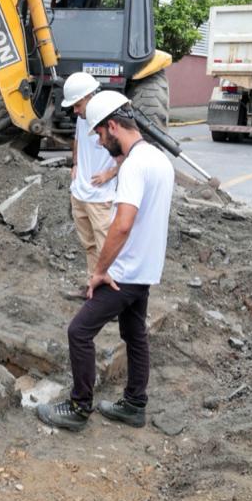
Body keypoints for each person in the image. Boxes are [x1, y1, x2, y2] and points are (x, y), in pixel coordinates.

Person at [37, 91, 174, 432]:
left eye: (99, 134)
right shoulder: (158, 159)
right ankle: (134, 404)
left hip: (122, 273)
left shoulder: (133, 166)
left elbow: (123, 224)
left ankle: (78, 407)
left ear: (113, 126)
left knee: (79, 332)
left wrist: (99, 271)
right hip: (144, 269)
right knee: (134, 333)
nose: (99, 142)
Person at [60, 73, 120, 289]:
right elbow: (77, 140)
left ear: (90, 96)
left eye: (77, 105)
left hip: (101, 197)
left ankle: (110, 297)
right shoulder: (82, 118)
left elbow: (130, 152)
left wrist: (110, 174)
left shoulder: (112, 119)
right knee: (90, 246)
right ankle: (93, 288)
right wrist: (75, 164)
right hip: (80, 193)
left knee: (107, 248)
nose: (75, 110)